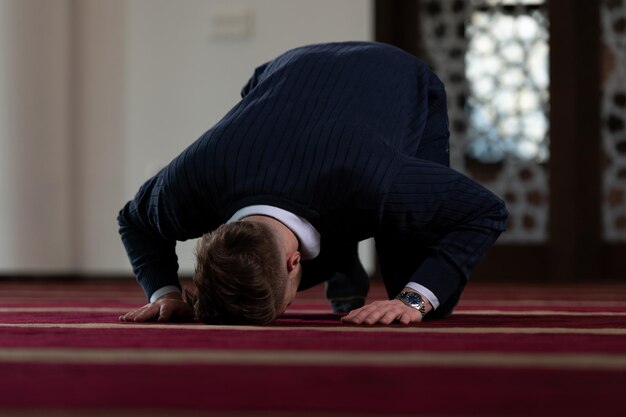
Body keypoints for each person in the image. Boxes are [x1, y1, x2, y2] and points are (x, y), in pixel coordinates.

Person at [118, 41, 508, 326]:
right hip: (283, 72)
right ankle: (340, 259)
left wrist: (414, 299)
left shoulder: (381, 181)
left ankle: (343, 259)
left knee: (417, 294)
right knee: (338, 209)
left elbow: (485, 211)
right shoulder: (188, 187)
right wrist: (165, 292)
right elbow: (132, 219)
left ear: (294, 262)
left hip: (395, 76)